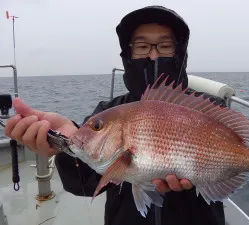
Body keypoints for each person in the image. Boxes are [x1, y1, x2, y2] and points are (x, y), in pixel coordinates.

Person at [4, 5, 225, 225]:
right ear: (128, 54)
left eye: (165, 45)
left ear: (179, 51)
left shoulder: (207, 107)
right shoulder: (109, 111)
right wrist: (66, 148)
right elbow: (84, 183)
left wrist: (203, 171)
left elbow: (226, 167)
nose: (153, 54)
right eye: (142, 46)